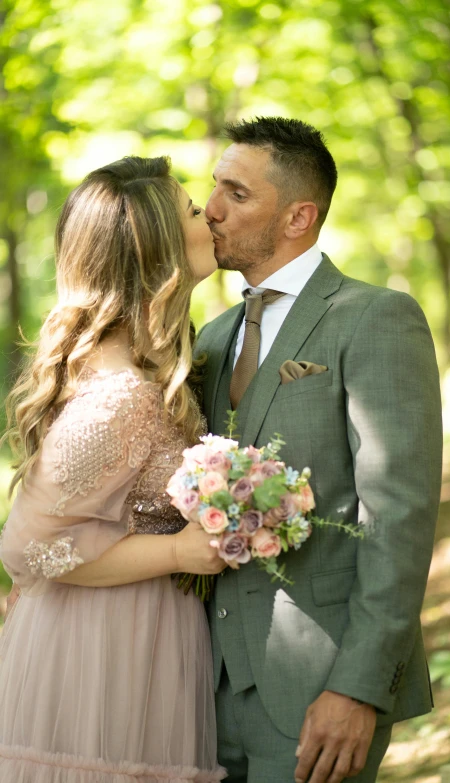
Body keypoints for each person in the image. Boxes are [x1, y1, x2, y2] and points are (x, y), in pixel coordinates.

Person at [197, 117, 443, 783]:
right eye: (214, 187)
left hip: (319, 685)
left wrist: (360, 686)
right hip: (203, 694)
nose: (211, 209)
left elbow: (399, 517)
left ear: (299, 216)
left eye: (237, 194)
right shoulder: (211, 337)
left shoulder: (373, 317)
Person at [0, 156, 227, 782]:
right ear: (157, 251)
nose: (208, 214)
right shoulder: (119, 397)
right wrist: (178, 553)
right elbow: (28, 550)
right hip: (99, 655)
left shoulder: (152, 371)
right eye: (190, 210)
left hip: (142, 637)